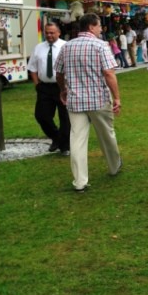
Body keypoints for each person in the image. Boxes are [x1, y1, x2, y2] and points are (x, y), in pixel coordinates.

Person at [55, 13, 122, 192]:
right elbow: (109, 73)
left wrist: (63, 89)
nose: (101, 29)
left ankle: (80, 181)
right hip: (98, 100)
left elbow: (59, 73)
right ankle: (114, 166)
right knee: (107, 135)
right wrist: (117, 97)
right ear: (91, 27)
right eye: (99, 26)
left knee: (77, 139)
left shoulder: (66, 46)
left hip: (75, 100)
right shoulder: (101, 45)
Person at [27, 22, 70, 156]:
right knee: (42, 116)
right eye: (47, 32)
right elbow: (32, 68)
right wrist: (37, 85)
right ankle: (56, 137)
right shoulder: (39, 48)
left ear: (59, 33)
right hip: (44, 87)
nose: (49, 35)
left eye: (52, 32)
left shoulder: (66, 46)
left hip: (63, 87)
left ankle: (64, 146)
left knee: (65, 117)